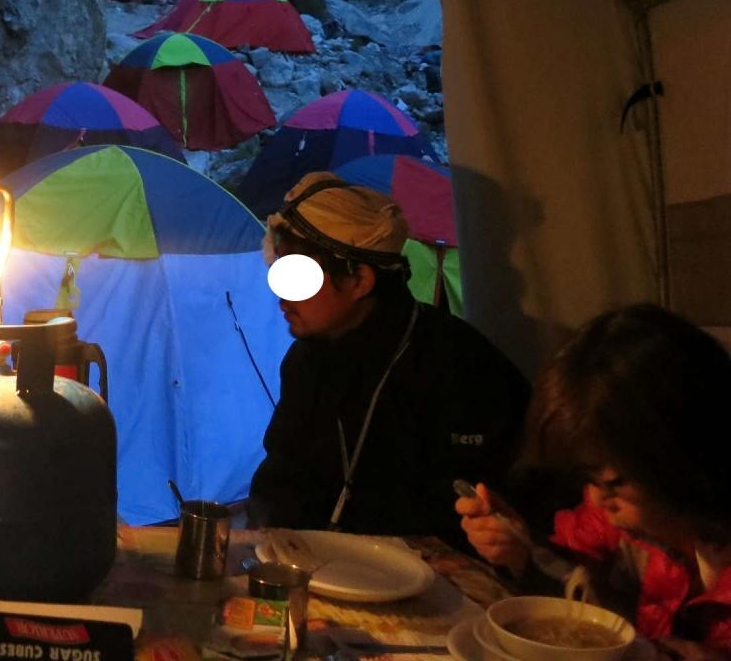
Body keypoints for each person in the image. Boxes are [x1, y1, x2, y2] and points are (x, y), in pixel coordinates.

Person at [248, 172, 530, 546]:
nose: (282, 296)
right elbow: (280, 477)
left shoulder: (463, 365)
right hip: (316, 561)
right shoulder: (306, 360)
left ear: (360, 280)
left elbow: (497, 508)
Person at [457, 305, 731, 657]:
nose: (596, 498)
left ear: (681, 458)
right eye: (588, 476)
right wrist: (520, 552)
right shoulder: (614, 523)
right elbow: (579, 588)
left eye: (614, 482)